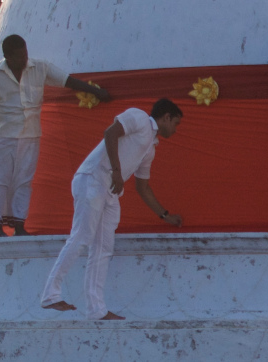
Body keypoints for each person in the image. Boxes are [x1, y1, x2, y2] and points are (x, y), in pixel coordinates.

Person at [40, 99, 185, 320]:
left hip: (111, 191)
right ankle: (50, 293)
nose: (175, 130)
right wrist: (117, 171)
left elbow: (142, 187)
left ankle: (96, 310)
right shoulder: (138, 117)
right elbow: (110, 133)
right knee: (82, 236)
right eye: (175, 123)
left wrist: (165, 215)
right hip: (93, 178)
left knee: (103, 248)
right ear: (165, 117)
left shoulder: (150, 150)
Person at [0, 34, 110, 236]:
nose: (24, 59)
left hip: (31, 135)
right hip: (6, 136)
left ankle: (20, 226)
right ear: (8, 57)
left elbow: (69, 81)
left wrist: (95, 91)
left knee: (24, 179)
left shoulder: (40, 67)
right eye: (19, 56)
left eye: (25, 54)